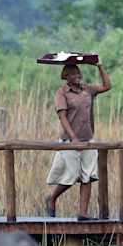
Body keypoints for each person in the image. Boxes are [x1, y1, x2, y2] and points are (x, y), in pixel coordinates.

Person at [45, 60, 111, 220]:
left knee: (88, 176)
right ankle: (52, 198)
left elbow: (107, 86)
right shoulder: (62, 93)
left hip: (88, 139)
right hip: (70, 141)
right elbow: (62, 116)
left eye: (78, 73)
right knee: (72, 175)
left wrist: (100, 66)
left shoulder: (87, 89)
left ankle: (83, 213)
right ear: (65, 77)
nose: (76, 76)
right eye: (72, 74)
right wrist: (73, 138)